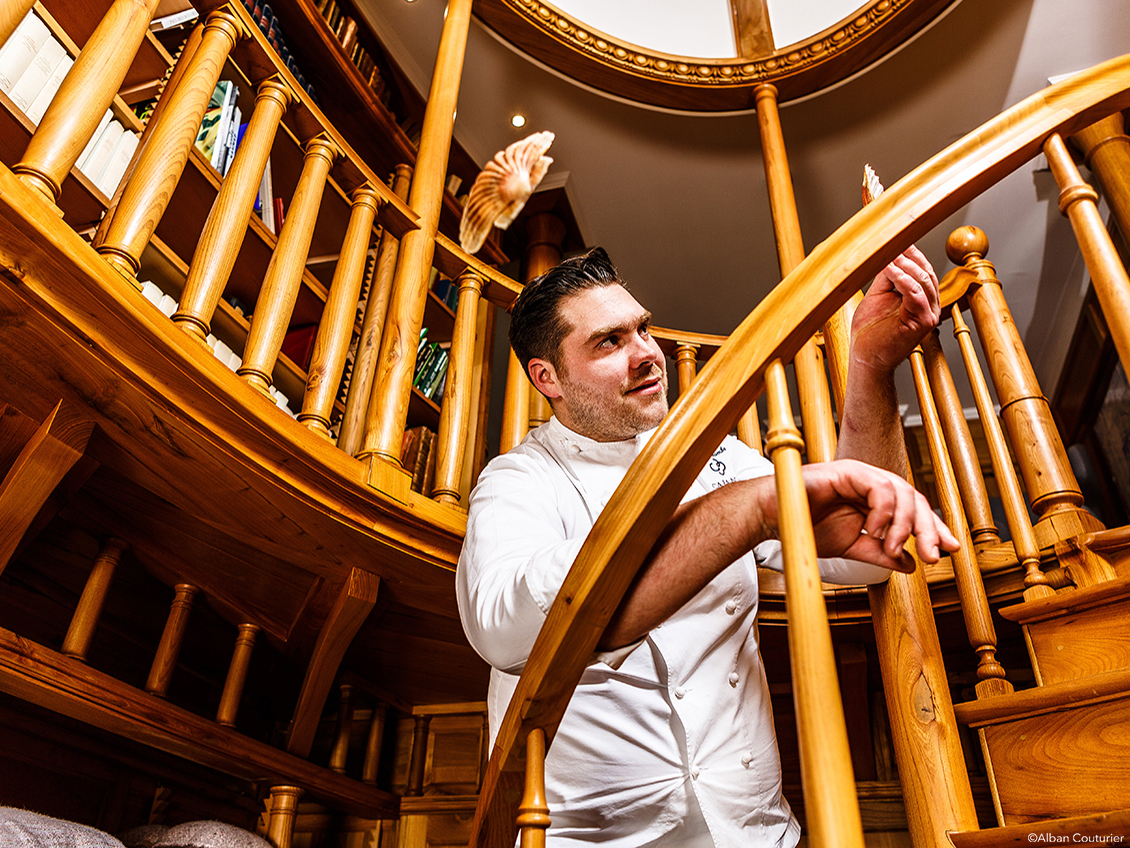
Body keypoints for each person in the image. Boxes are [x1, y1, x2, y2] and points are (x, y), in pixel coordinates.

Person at [456, 247, 958, 847]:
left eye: (643, 329)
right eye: (609, 342)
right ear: (548, 379)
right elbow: (502, 630)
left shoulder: (718, 457)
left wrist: (871, 365)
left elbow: (864, 555)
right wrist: (743, 513)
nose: (647, 354)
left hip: (755, 830)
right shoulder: (517, 480)